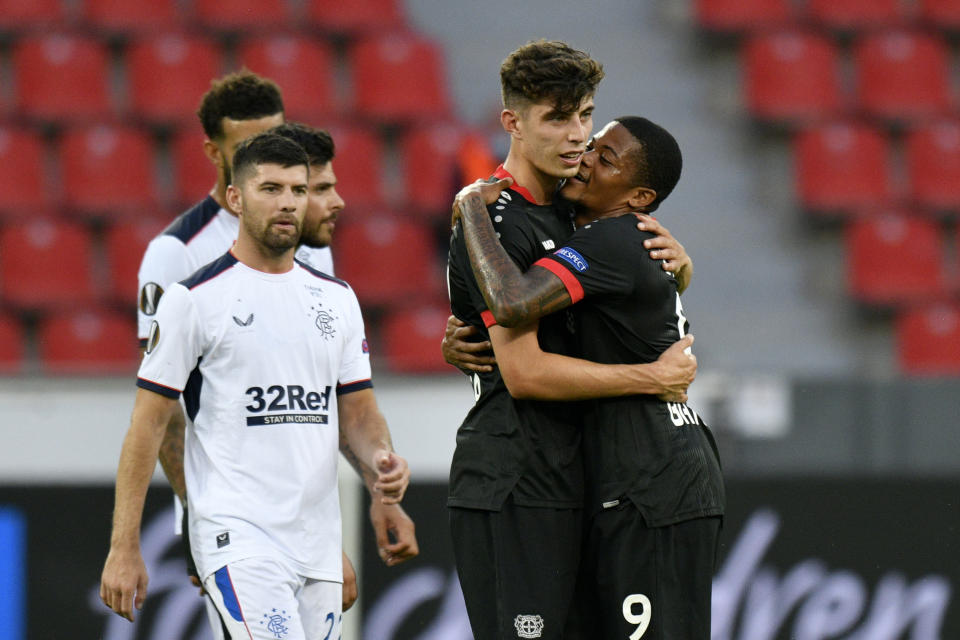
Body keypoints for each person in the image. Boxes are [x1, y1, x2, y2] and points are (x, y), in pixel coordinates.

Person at [100, 133, 411, 638]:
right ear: (236, 199)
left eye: (298, 189)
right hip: (237, 537)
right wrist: (123, 545)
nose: (288, 202)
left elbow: (358, 411)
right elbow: (147, 425)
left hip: (316, 539)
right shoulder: (192, 300)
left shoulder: (337, 299)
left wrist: (382, 464)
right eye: (271, 188)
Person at [446, 40, 699, 640]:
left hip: (581, 475)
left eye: (585, 114)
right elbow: (526, 373)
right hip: (515, 474)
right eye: (557, 118)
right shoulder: (492, 216)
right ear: (513, 122)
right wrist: (650, 377)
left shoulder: (577, 207)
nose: (577, 135)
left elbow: (625, 302)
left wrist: (680, 268)